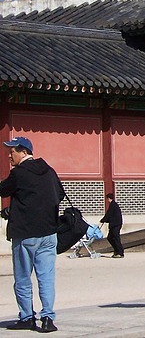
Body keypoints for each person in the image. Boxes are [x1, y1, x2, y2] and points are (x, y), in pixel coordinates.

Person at [0, 136, 64, 332]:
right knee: (46, 277)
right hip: (49, 233)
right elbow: (59, 195)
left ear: (24, 152)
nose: (9, 155)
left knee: (22, 278)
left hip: (26, 233)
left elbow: (3, 191)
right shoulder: (49, 171)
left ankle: (27, 317)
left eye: (12, 151)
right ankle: (47, 318)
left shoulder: (18, 173)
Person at [100, 192, 124, 258]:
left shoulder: (113, 205)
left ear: (108, 198)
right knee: (110, 237)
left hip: (116, 225)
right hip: (114, 224)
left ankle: (120, 252)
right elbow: (110, 216)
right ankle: (116, 250)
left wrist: (103, 220)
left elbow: (108, 214)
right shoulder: (113, 205)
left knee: (116, 238)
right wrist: (105, 220)